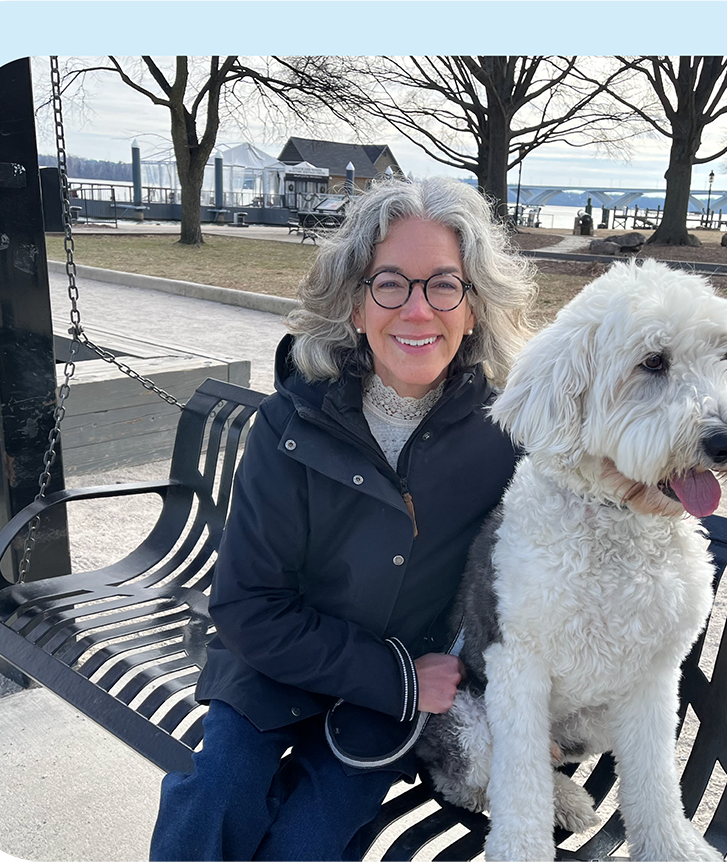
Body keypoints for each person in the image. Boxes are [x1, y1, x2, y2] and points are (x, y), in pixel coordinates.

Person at [149, 176, 537, 862]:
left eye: (443, 285)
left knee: (311, 840)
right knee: (214, 796)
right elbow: (245, 605)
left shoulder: (506, 438)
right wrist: (399, 679)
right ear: (357, 304)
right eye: (390, 283)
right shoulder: (289, 425)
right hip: (282, 665)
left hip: (384, 703)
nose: (417, 310)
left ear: (473, 307)